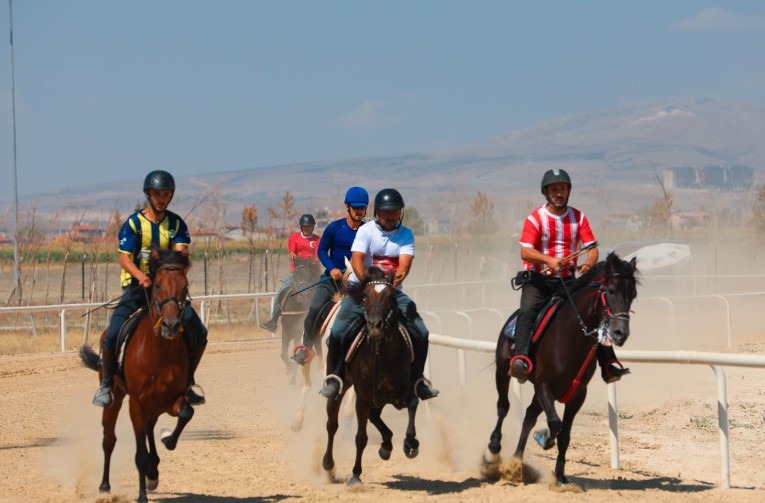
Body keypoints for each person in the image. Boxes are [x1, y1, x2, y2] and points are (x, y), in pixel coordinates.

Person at [92, 170, 208, 407]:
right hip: (136, 290)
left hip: (167, 293)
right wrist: (142, 277)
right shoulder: (134, 224)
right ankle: (106, 387)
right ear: (148, 195)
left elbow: (182, 253)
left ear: (171, 196)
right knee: (112, 335)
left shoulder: (177, 224)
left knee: (201, 334)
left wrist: (170, 276)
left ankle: (187, 381)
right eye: (157, 194)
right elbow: (124, 259)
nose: (161, 199)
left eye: (166, 194)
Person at [509, 169, 630, 384]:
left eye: (563, 189)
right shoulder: (535, 218)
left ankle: (608, 363)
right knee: (527, 311)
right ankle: (520, 359)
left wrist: (587, 265)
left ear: (568, 192)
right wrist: (548, 260)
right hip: (538, 281)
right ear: (545, 193)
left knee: (596, 310)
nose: (559, 193)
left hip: (567, 281)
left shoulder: (579, 217)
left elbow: (592, 249)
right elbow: (525, 252)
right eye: (554, 190)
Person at [318, 188, 439, 401]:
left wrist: (389, 286)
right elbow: (357, 259)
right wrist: (367, 283)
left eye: (395, 212)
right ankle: (334, 378)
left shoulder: (406, 234)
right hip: (360, 290)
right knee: (337, 331)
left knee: (421, 331)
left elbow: (404, 266)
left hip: (391, 293)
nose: (391, 216)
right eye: (386, 213)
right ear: (377, 214)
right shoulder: (366, 232)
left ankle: (418, 380)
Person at [290, 187, 369, 365]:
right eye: (356, 207)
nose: (359, 211)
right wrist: (332, 268)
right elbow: (322, 251)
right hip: (332, 282)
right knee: (316, 307)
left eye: (362, 208)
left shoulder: (369, 230)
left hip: (358, 284)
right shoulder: (335, 228)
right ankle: (306, 348)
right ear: (347, 207)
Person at [259, 214, 320, 332]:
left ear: (313, 227)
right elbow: (292, 253)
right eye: (305, 227)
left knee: (323, 291)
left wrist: (312, 261)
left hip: (312, 273)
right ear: (301, 227)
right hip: (296, 273)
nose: (307, 229)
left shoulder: (317, 240)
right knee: (281, 291)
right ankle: (273, 320)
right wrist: (295, 256)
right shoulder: (294, 238)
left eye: (309, 227)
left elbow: (317, 257)